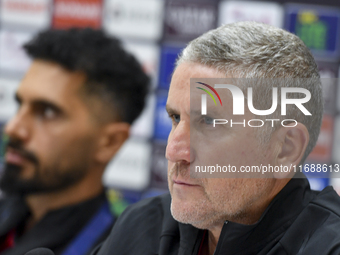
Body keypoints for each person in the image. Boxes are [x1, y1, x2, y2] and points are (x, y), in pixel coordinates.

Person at [91, 21, 340, 255]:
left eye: (209, 122)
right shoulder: (144, 225)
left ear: (286, 148)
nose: (173, 151)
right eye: (176, 118)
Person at [0, 28, 149, 255]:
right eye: (21, 104)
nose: (13, 128)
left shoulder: (119, 248)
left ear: (109, 142)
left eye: (47, 112)